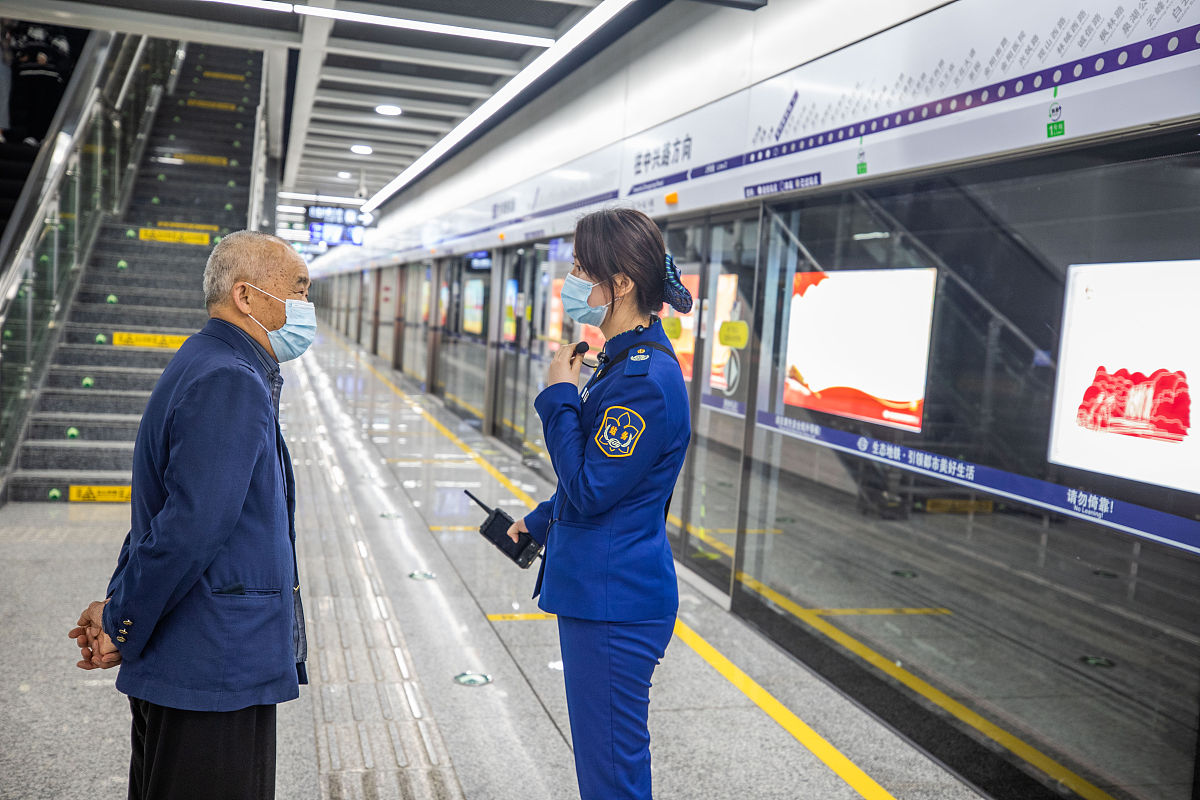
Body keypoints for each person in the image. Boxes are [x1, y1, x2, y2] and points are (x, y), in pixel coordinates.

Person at [68, 230, 316, 800]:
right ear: (246, 297)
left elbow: (164, 514)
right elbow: (189, 528)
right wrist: (122, 619)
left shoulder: (206, 360)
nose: (306, 305)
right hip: (213, 666)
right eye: (298, 289)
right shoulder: (231, 379)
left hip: (200, 659)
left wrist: (117, 607)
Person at [508, 207, 693, 799]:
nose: (573, 282)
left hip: (616, 601)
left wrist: (559, 396)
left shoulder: (644, 379)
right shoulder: (619, 361)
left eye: (582, 270)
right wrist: (540, 520)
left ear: (621, 285)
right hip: (604, 590)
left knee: (611, 772)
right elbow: (610, 483)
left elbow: (589, 488)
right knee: (604, 764)